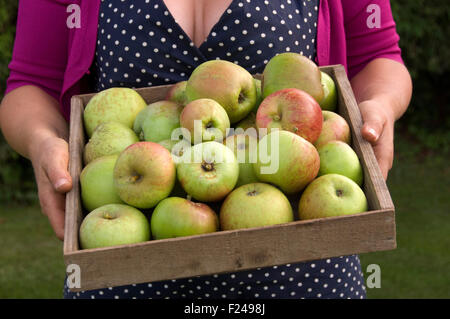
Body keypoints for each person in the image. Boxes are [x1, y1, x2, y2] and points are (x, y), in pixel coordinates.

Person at [0, 0, 412, 299]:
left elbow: (377, 56)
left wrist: (379, 107)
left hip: (303, 271)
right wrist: (42, 140)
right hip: (123, 275)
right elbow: (31, 82)